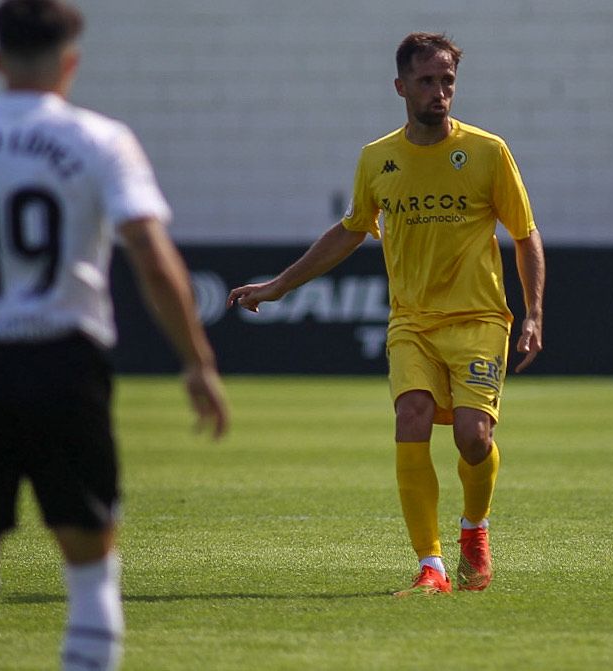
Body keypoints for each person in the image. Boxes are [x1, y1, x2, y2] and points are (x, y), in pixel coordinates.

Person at [228, 32, 544, 597]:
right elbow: (350, 230)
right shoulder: (378, 160)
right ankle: (433, 568)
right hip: (412, 323)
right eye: (427, 81)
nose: (439, 92)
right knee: (412, 417)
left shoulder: (488, 152)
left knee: (473, 439)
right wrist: (278, 286)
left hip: (477, 319)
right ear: (401, 87)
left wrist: (534, 312)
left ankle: (474, 529)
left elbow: (525, 233)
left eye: (447, 80)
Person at [0, 1, 229, 668]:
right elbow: (148, 250)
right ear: (71, 62)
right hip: (64, 362)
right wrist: (196, 361)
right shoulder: (100, 139)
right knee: (90, 569)